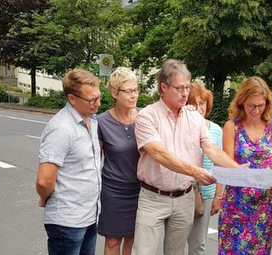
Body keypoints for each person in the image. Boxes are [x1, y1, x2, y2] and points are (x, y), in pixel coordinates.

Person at [132, 59, 240, 255]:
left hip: (185, 198)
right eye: (179, 88)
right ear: (163, 87)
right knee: (143, 251)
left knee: (176, 252)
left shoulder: (195, 118)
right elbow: (159, 154)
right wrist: (194, 171)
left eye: (187, 87)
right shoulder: (147, 116)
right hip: (153, 197)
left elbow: (212, 149)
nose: (185, 93)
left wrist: (238, 169)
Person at [36, 69, 101, 255]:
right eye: (92, 100)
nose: (98, 103)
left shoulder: (91, 120)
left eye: (99, 97)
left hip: (89, 216)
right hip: (67, 222)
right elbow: (43, 180)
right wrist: (46, 196)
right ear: (72, 99)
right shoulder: (61, 129)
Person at [218, 76, 272, 254]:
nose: (255, 110)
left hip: (262, 205)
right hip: (236, 203)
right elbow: (227, 164)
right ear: (241, 102)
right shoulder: (232, 127)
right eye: (251, 106)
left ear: (267, 104)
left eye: (260, 106)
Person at [97, 67, 141, 255]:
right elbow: (92, 160)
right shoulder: (101, 122)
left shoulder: (145, 118)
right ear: (114, 92)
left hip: (141, 190)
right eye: (128, 91)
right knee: (113, 240)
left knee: (133, 239)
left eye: (136, 90)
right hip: (113, 191)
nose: (134, 95)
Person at [186, 81, 223, 255]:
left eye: (202, 103)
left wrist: (218, 196)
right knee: (175, 241)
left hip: (206, 193)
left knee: (198, 242)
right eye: (193, 103)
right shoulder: (181, 126)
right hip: (184, 191)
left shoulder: (215, 130)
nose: (198, 107)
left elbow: (220, 164)